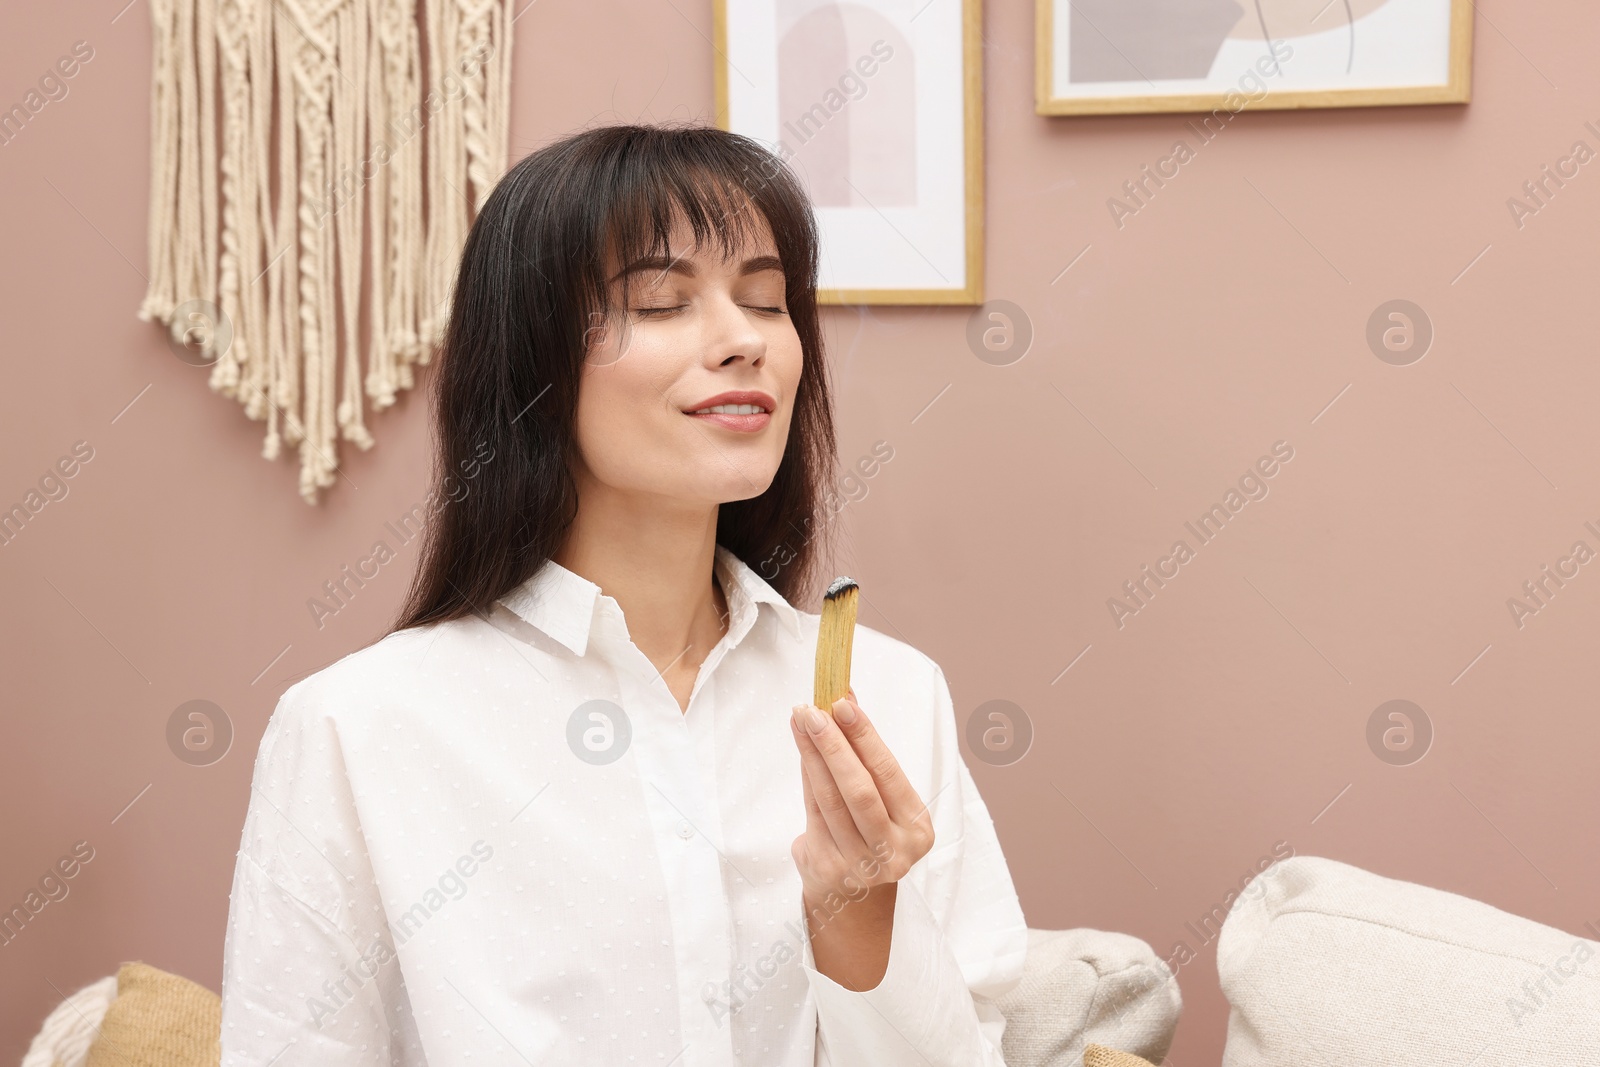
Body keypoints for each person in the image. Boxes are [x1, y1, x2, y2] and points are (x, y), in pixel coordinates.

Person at [219, 122, 1027, 1066]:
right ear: (533, 362)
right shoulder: (357, 729)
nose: (744, 341)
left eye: (767, 300)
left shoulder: (886, 697)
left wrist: (859, 919)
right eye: (662, 300)